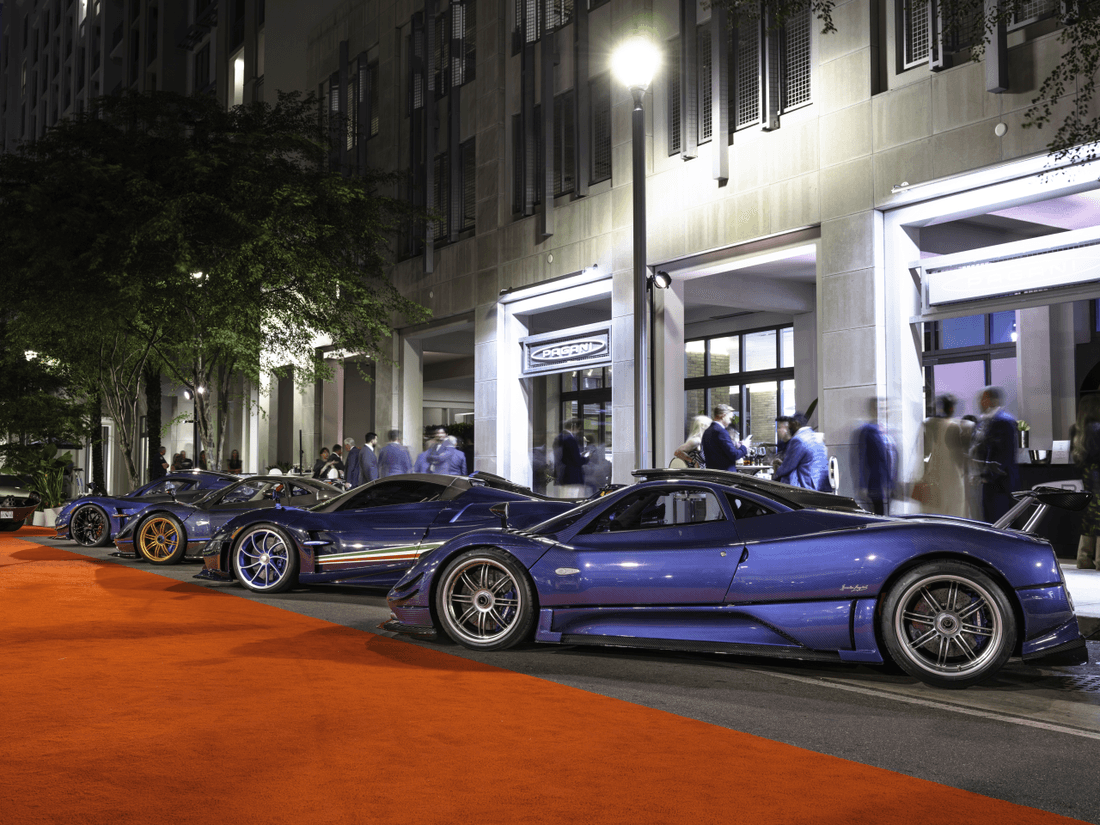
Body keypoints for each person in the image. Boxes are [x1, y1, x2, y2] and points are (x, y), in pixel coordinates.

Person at [971, 386, 1019, 523]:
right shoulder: (986, 421)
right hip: (990, 484)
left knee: (999, 523)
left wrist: (987, 476)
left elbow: (1003, 454)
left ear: (993, 400)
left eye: (983, 399)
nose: (980, 402)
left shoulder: (1003, 421)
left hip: (1000, 485)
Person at [915, 394, 968, 518]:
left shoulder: (928, 424)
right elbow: (958, 456)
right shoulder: (953, 426)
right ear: (951, 409)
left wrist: (924, 473)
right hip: (952, 475)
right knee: (953, 510)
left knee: (934, 511)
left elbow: (925, 453)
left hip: (934, 474)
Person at [1071, 395, 1100, 570]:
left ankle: (1084, 558)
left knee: (1089, 520)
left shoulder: (1076, 429)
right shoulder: (1098, 428)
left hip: (1087, 477)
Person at [856, 398, 896, 516]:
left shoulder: (887, 431)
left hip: (887, 485)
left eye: (886, 408)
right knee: (878, 517)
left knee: (886, 516)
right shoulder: (867, 431)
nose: (885, 411)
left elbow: (892, 458)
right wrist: (863, 486)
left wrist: (893, 483)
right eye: (881, 408)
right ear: (873, 410)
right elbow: (862, 460)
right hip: (874, 487)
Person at [773, 412, 829, 490]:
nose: (789, 428)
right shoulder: (814, 436)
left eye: (790, 425)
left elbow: (788, 467)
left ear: (795, 423)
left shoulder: (798, 439)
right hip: (820, 485)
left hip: (806, 487)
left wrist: (774, 475)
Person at [700, 405, 748, 471]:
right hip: (725, 475)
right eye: (729, 418)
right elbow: (734, 455)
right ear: (723, 416)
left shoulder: (707, 431)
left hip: (712, 474)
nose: (730, 422)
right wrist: (744, 446)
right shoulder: (721, 432)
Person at [552, 419, 587, 497]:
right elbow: (576, 460)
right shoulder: (570, 439)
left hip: (561, 476)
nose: (578, 431)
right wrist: (586, 459)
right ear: (573, 426)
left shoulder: (558, 438)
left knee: (563, 500)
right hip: (571, 478)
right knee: (570, 500)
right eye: (579, 428)